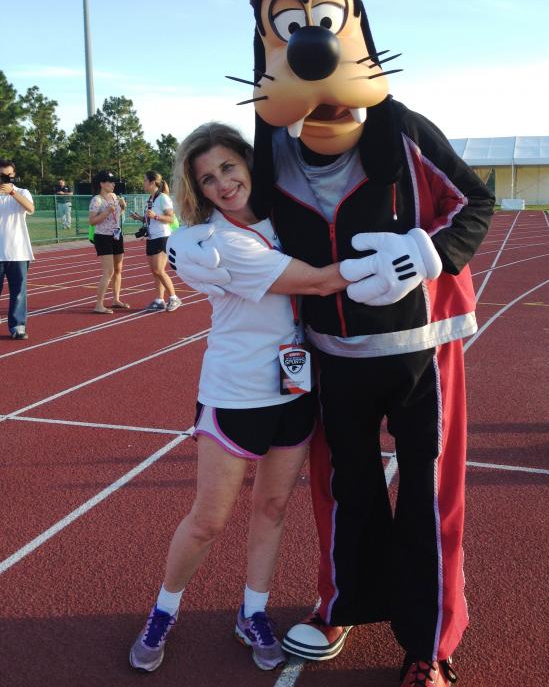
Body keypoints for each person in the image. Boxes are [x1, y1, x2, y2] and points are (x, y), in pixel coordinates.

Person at [173, 0, 496, 686]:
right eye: (287, 26)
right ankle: (343, 607)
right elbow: (233, 216)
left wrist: (430, 253)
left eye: (321, 18)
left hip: (420, 348)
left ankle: (431, 644)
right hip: (331, 357)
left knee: (426, 492)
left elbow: (474, 203)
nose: (309, 43)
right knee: (343, 494)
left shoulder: (405, 129)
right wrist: (192, 245)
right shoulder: (272, 150)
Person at [128, 122, 365, 674]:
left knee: (274, 507)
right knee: (209, 520)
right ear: (198, 190)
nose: (222, 184)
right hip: (234, 393)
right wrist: (393, 265)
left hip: (294, 388)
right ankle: (164, 610)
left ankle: (252, 611)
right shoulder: (217, 242)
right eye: (207, 179)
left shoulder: (287, 217)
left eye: (228, 168)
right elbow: (317, 281)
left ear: (247, 162)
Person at [130, 170, 182, 312]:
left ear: (153, 182)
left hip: (162, 237)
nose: (143, 183)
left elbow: (170, 218)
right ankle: (159, 300)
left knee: (159, 270)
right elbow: (150, 218)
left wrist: (155, 216)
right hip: (152, 237)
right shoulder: (150, 199)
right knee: (154, 271)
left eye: (145, 180)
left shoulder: (163, 198)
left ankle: (174, 297)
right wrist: (140, 218)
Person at [0, 158, 35, 340]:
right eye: (2, 176)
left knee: (19, 291)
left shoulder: (22, 192)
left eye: (9, 176)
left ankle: (18, 326)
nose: (6, 179)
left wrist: (13, 192)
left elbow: (30, 208)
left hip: (18, 251)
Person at [88, 170, 129, 314]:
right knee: (108, 271)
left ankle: (116, 299)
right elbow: (92, 221)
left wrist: (122, 207)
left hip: (117, 235)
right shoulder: (97, 200)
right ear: (102, 184)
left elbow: (117, 215)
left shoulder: (114, 196)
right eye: (110, 182)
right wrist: (105, 212)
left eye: (113, 182)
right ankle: (99, 304)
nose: (113, 184)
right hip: (103, 237)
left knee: (118, 269)